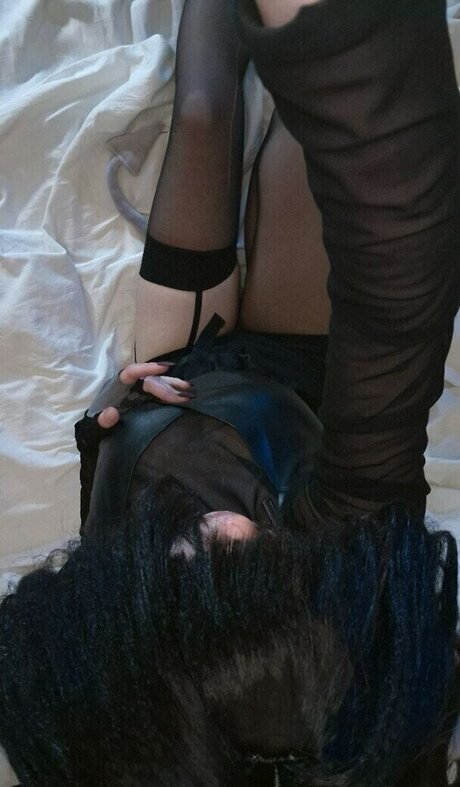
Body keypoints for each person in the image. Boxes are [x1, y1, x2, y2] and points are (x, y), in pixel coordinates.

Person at [0, 0, 458, 785]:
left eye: (191, 590)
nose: (232, 532)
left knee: (205, 114)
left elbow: (103, 491)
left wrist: (110, 413)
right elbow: (396, 280)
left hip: (185, 363)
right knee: (296, 145)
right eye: (258, 587)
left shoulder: (124, 662)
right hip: (303, 375)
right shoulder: (350, 567)